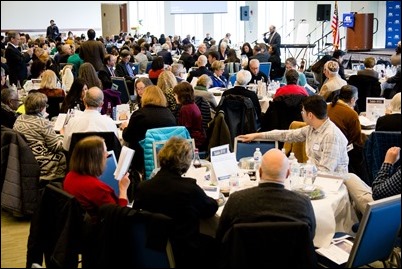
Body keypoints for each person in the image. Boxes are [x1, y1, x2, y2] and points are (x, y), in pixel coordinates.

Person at [133, 136, 218, 268]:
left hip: (153, 249)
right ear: (185, 162)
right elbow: (210, 209)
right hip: (186, 254)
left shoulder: (143, 187)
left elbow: (137, 217)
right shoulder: (189, 189)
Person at [216, 148, 316, 241]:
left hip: (241, 258)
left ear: (259, 172)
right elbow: (309, 237)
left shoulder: (236, 200)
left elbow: (221, 235)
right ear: (288, 174)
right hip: (292, 259)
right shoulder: (303, 203)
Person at [239, 95, 349, 173]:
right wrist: (257, 135)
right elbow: (287, 135)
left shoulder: (331, 135)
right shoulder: (313, 128)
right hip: (312, 175)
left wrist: (299, 170)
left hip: (331, 184)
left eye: (302, 111)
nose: (301, 114)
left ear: (310, 115)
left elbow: (326, 171)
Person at [63, 135, 130, 219]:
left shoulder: (70, 176)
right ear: (96, 158)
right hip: (101, 228)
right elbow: (120, 216)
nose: (107, 155)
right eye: (105, 152)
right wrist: (123, 189)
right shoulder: (97, 188)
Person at [120, 85, 177, 175]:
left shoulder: (139, 115)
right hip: (167, 156)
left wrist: (125, 128)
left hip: (142, 158)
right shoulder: (169, 115)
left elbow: (127, 137)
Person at [13, 92, 66, 186]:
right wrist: (62, 135)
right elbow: (56, 147)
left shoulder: (19, 118)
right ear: (41, 108)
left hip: (25, 159)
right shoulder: (43, 123)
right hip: (42, 163)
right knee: (64, 154)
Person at [344, 146, 401, 217]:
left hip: (389, 215)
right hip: (393, 207)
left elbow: (377, 194)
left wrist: (388, 162)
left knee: (349, 177)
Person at [62, 86, 118, 151]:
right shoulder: (109, 123)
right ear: (101, 104)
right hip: (103, 160)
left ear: (84, 101)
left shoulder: (73, 122)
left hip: (78, 160)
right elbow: (115, 148)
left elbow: (66, 148)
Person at [173, 82, 207, 150]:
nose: (174, 96)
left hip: (193, 142)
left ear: (181, 95)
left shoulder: (186, 109)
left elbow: (184, 131)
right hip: (199, 139)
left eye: (175, 94)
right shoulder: (193, 105)